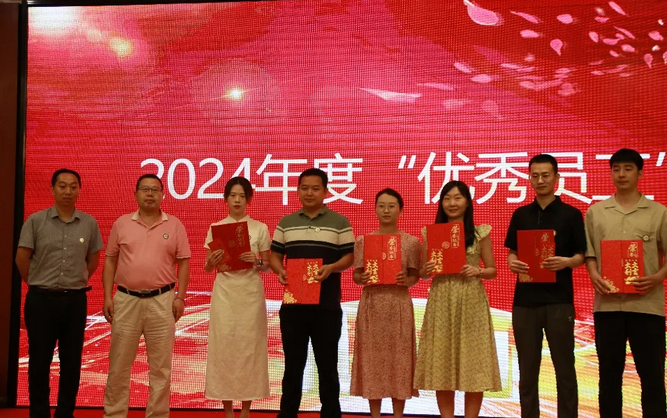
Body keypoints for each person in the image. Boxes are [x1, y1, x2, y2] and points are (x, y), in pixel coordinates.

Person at [584, 148, 667, 418]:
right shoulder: (596, 212)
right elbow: (590, 253)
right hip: (608, 306)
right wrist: (593, 273)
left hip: (647, 306)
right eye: (616, 169)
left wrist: (658, 277)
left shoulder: (658, 212)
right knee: (609, 377)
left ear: (640, 173)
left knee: (652, 376)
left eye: (628, 168)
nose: (621, 174)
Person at [15, 168, 103, 418]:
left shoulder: (89, 223)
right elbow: (22, 258)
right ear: (52, 189)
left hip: (74, 301)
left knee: (71, 361)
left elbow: (93, 261)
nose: (68, 191)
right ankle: (39, 413)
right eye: (62, 186)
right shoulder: (35, 221)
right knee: (39, 361)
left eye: (73, 186)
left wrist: (73, 281)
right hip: (40, 300)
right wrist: (36, 282)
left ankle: (65, 413)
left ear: (79, 190)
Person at [102, 173, 191, 418]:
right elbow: (110, 261)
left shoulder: (174, 225)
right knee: (119, 365)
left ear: (163, 194)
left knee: (161, 368)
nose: (150, 194)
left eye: (155, 189)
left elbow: (184, 263)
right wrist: (107, 296)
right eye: (145, 189)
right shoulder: (122, 224)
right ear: (135, 194)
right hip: (126, 300)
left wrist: (180, 297)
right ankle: (114, 414)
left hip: (162, 301)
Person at [504, 154, 586, 418]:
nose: (540, 180)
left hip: (559, 301)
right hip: (524, 302)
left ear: (557, 178)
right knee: (527, 371)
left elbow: (581, 255)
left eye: (546, 175)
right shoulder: (521, 214)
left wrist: (567, 262)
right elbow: (512, 253)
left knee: (565, 369)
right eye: (535, 175)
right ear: (529, 179)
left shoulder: (571, 214)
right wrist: (513, 263)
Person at [269, 168, 355, 418]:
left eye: (315, 188)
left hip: (326, 307)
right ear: (297, 191)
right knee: (293, 366)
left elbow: (349, 257)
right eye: (304, 188)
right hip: (293, 307)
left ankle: (331, 414)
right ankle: (287, 414)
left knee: (327, 367)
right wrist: (280, 271)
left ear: (326, 192)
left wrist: (332, 268)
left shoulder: (339, 222)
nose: (309, 193)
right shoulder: (286, 222)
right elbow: (275, 256)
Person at [414, 180, 501, 418]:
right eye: (447, 198)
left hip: (471, 299)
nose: (452, 203)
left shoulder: (480, 233)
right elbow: (423, 273)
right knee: (443, 362)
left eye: (457, 198)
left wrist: (478, 271)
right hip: (442, 298)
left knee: (473, 363)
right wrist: (426, 270)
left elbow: (492, 270)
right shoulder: (431, 233)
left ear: (467, 202)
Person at [203, 177, 272, 418]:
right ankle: (227, 409)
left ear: (249, 200)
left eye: (242, 196)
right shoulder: (216, 227)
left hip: (250, 294)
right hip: (225, 294)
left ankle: (245, 409)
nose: (237, 200)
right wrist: (211, 262)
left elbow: (268, 266)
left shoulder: (260, 228)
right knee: (224, 347)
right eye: (233, 195)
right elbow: (208, 268)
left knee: (249, 348)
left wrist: (257, 261)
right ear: (225, 199)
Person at [350, 188, 419, 418]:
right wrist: (362, 278)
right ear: (375, 209)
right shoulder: (363, 241)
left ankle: (398, 415)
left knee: (400, 361)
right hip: (372, 305)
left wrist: (406, 280)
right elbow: (356, 275)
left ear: (401, 210)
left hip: (398, 305)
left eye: (391, 206)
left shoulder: (411, 242)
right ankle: (375, 415)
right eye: (381, 206)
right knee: (373, 361)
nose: (386, 210)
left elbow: (415, 276)